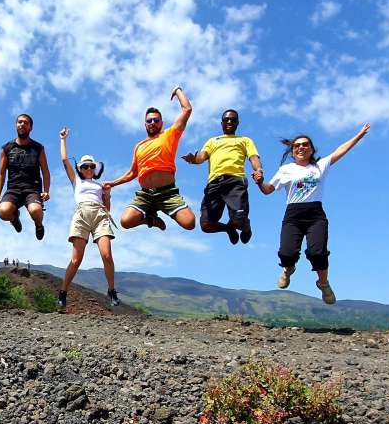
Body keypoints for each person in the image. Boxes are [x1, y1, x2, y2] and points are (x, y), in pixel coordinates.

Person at [255, 123, 371, 305]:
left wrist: (358, 136)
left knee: (317, 253)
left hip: (315, 214)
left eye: (305, 144)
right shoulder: (286, 170)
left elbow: (340, 150)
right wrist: (259, 182)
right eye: (297, 145)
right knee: (287, 253)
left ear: (311, 150)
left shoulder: (320, 166)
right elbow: (268, 190)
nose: (301, 147)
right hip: (293, 214)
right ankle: (287, 270)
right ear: (293, 151)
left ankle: (323, 284)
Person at [103, 87, 196, 231]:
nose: (152, 122)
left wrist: (177, 90)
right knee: (125, 221)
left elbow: (187, 109)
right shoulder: (139, 146)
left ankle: (164, 210)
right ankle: (150, 219)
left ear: (161, 123)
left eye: (156, 120)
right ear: (145, 124)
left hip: (167, 193)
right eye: (149, 120)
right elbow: (132, 173)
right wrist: (113, 183)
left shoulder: (170, 134)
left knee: (189, 223)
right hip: (146, 194)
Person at [57, 127, 119, 309]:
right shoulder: (76, 181)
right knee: (76, 260)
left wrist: (108, 195)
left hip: (100, 215)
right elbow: (64, 160)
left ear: (95, 168)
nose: (89, 168)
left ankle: (112, 290)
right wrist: (63, 140)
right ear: (81, 169)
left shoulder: (101, 185)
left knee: (107, 255)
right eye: (85, 166)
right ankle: (63, 291)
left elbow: (107, 208)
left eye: (92, 166)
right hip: (82, 214)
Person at [182, 109, 263, 244]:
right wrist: (193, 159)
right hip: (214, 184)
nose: (229, 121)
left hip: (235, 181)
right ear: (222, 123)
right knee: (206, 225)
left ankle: (246, 227)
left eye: (233, 120)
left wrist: (259, 169)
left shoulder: (244, 140)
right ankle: (228, 229)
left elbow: (253, 157)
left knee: (238, 219)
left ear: (237, 123)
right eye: (226, 120)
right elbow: (202, 157)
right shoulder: (213, 141)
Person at [0, 114, 51, 240]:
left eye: (25, 123)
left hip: (32, 189)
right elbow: (1, 173)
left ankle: (39, 225)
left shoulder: (38, 148)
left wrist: (46, 191)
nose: (22, 124)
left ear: (31, 127)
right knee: (3, 212)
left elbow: (45, 171)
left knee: (35, 210)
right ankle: (14, 218)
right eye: (19, 122)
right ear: (16, 125)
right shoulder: (6, 148)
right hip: (14, 189)